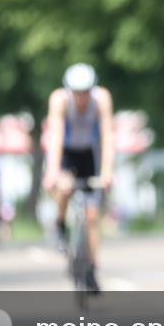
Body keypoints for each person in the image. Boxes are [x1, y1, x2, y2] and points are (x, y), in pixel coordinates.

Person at [41, 63, 115, 294]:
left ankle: (92, 268)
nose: (81, 97)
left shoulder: (101, 99)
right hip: (66, 153)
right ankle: (60, 225)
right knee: (64, 188)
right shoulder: (59, 100)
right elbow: (56, 137)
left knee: (92, 216)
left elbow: (107, 136)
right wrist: (53, 171)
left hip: (89, 154)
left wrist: (107, 171)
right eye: (77, 92)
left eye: (85, 92)